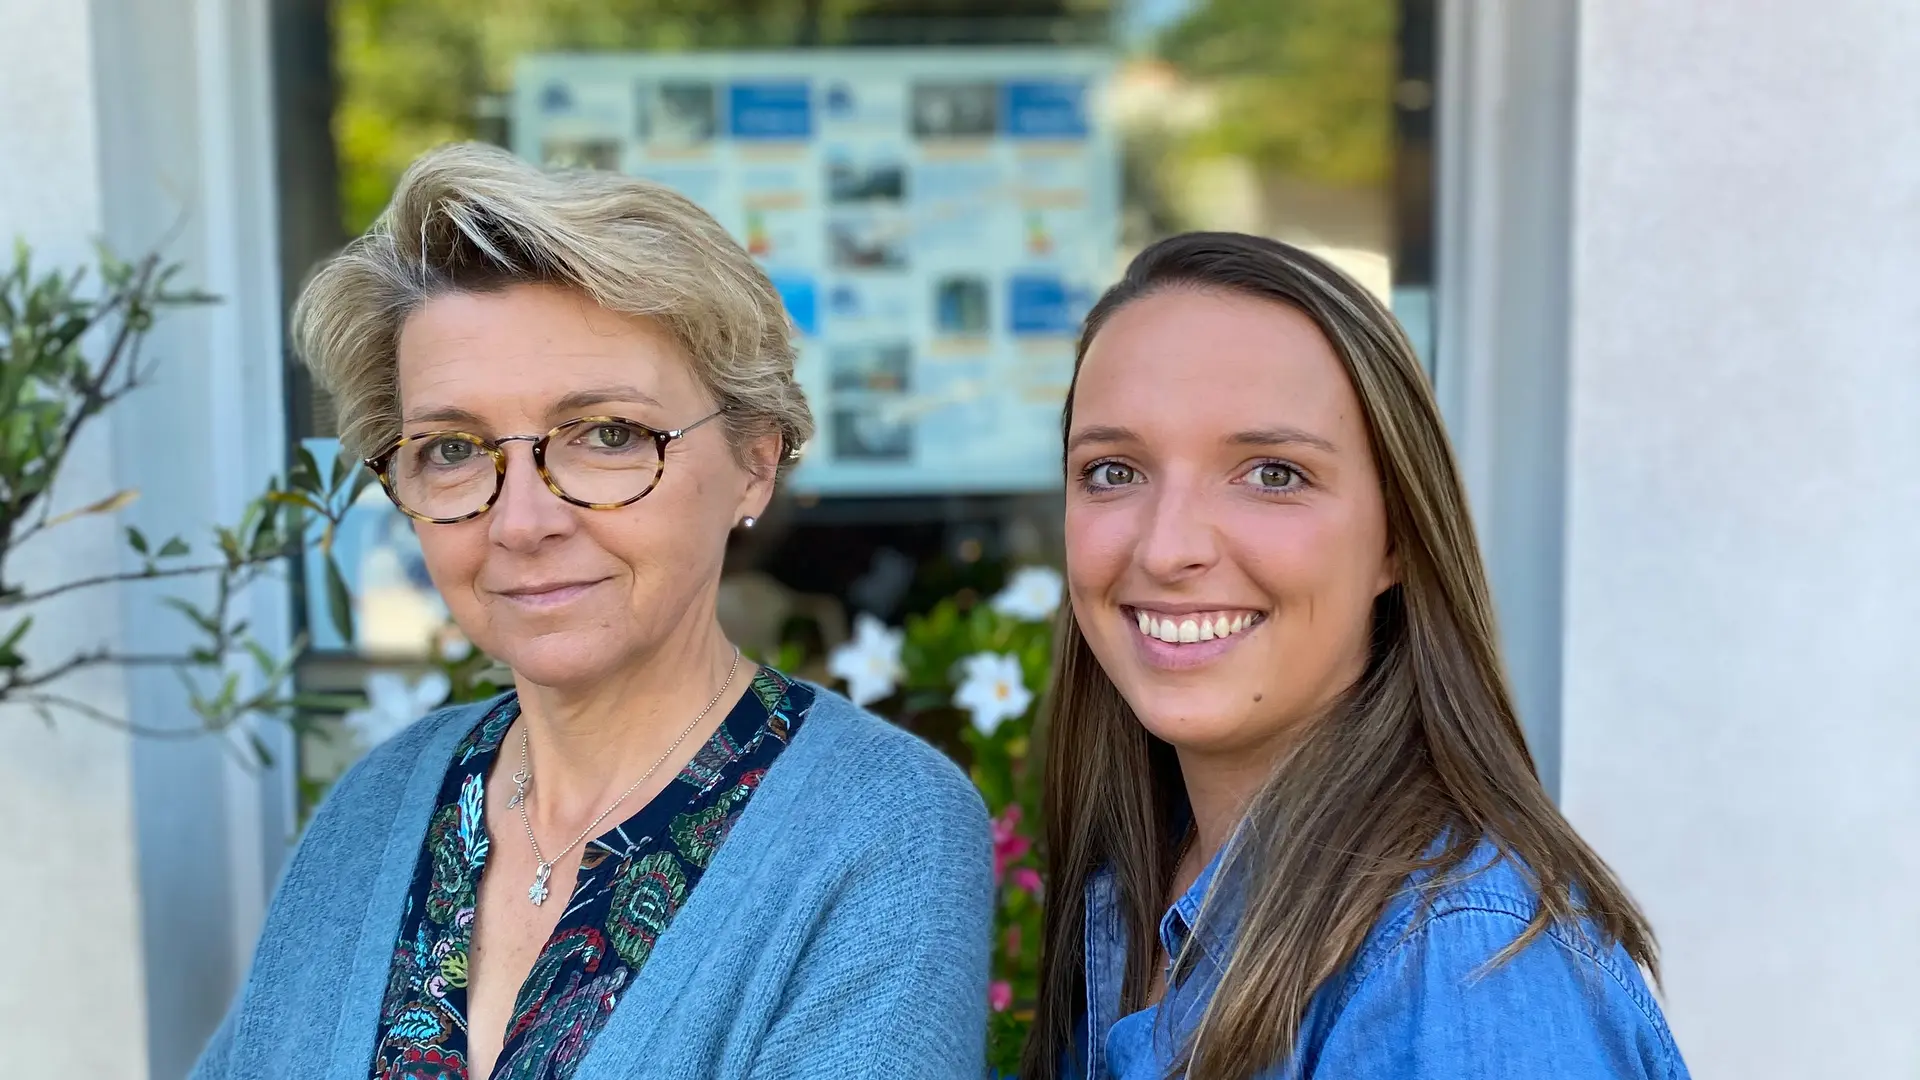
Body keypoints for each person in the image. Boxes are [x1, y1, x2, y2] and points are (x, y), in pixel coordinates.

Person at [191, 144, 992, 1080]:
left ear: (756, 460)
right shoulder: (376, 808)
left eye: (607, 436)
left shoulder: (883, 829)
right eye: (452, 448)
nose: (521, 521)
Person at [1021, 233, 1690, 1080]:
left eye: (1272, 474)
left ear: (1396, 538)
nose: (1166, 548)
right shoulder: (1141, 885)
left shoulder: (1457, 966)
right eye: (1113, 471)